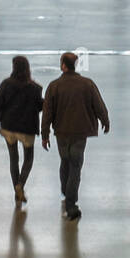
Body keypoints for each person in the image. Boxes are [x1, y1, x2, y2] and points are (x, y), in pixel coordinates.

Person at [41, 52, 109, 222]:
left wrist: (45, 134)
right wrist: (105, 120)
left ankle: (66, 192)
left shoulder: (54, 86)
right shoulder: (87, 84)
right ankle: (71, 204)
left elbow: (47, 113)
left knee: (65, 162)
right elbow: (99, 105)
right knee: (75, 165)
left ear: (63, 65)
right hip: (80, 132)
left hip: (61, 133)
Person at [0, 55, 44, 204]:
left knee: (13, 159)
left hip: (8, 128)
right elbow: (40, 106)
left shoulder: (6, 84)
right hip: (27, 129)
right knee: (28, 159)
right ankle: (20, 185)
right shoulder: (34, 88)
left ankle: (17, 193)